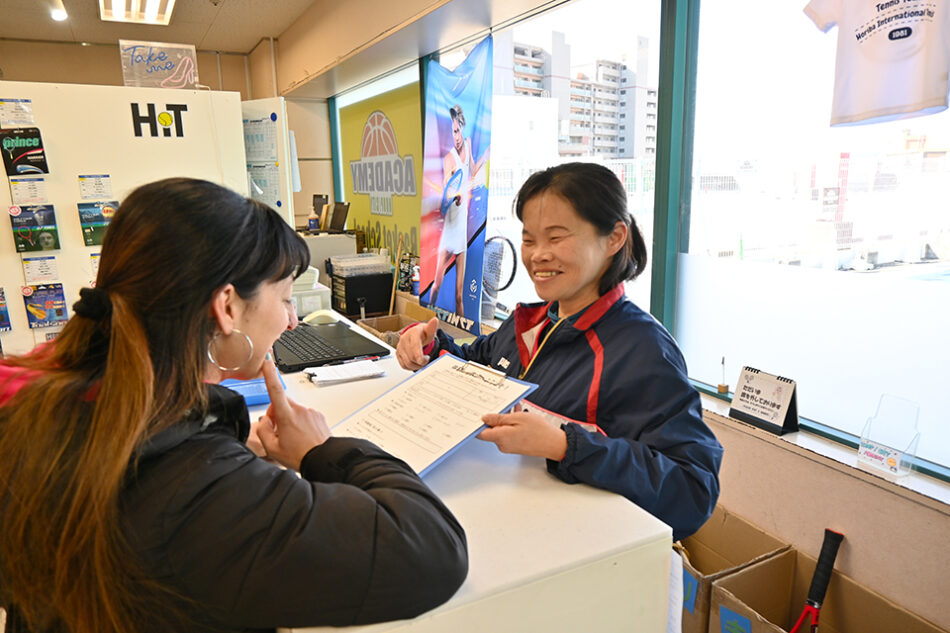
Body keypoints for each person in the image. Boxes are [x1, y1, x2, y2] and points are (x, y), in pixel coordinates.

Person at [0, 178, 468, 633]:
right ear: (225, 306)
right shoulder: (196, 493)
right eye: (285, 298)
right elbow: (432, 551)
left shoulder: (40, 413)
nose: (290, 321)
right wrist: (322, 450)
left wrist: (214, 438)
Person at [398, 162, 723, 541]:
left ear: (615, 237)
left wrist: (565, 446)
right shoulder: (531, 320)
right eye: (530, 239)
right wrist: (432, 348)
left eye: (556, 238)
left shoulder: (642, 350)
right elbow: (478, 365)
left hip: (586, 553)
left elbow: (692, 491)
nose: (537, 256)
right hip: (507, 527)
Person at [430, 104, 488, 318]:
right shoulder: (448, 159)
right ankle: (429, 322)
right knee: (436, 284)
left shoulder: (469, 144)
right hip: (451, 227)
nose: (455, 136)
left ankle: (465, 347)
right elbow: (447, 189)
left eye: (456, 130)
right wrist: (454, 197)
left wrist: (485, 157)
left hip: (461, 230)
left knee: (459, 296)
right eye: (451, 132)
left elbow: (471, 171)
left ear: (462, 127)